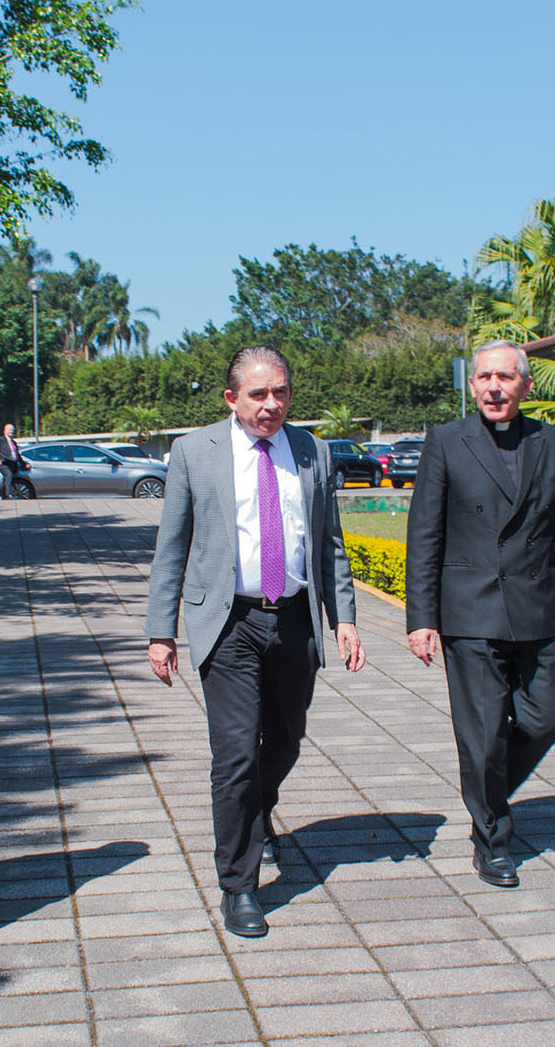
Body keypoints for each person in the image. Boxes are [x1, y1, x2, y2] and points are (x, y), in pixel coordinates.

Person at [146, 346, 365, 938]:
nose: (272, 405)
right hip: (228, 623)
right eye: (258, 394)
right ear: (232, 398)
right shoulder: (194, 452)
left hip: (294, 620)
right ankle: (239, 885)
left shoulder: (313, 451)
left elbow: (330, 542)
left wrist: (343, 617)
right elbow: (172, 546)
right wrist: (161, 631)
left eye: (281, 393)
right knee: (236, 754)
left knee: (286, 740)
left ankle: (258, 809)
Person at [404, 340, 555, 889]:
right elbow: (424, 535)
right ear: (472, 385)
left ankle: (485, 792)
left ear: (525, 385)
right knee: (484, 735)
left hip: (535, 609)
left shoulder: (551, 442)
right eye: (485, 378)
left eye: (506, 377)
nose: (494, 387)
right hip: (469, 612)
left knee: (546, 717)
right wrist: (421, 617)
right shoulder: (447, 442)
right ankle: (492, 839)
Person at [0, 423, 22, 499]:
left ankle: (2, 495)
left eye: (13, 430)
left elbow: (17, 455)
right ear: (5, 431)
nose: (11, 431)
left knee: (7, 478)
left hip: (12, 464)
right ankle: (8, 495)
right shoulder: (1, 440)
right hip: (3, 464)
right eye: (9, 430)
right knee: (8, 475)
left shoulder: (14, 442)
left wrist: (24, 464)